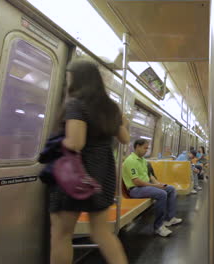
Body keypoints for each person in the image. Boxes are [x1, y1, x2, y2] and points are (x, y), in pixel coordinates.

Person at [48, 59, 129, 264]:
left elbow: (76, 143)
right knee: (102, 233)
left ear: (77, 78)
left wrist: (57, 141)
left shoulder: (76, 103)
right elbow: (125, 138)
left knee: (62, 235)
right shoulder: (111, 107)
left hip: (76, 174)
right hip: (104, 171)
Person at [123, 139, 183, 237]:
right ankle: (158, 227)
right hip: (135, 189)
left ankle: (169, 219)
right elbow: (136, 182)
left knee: (171, 189)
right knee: (161, 194)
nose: (146, 150)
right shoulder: (130, 161)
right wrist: (156, 186)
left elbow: (150, 176)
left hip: (145, 187)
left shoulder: (143, 160)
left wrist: (159, 184)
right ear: (137, 146)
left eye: (147, 148)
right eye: (145, 148)